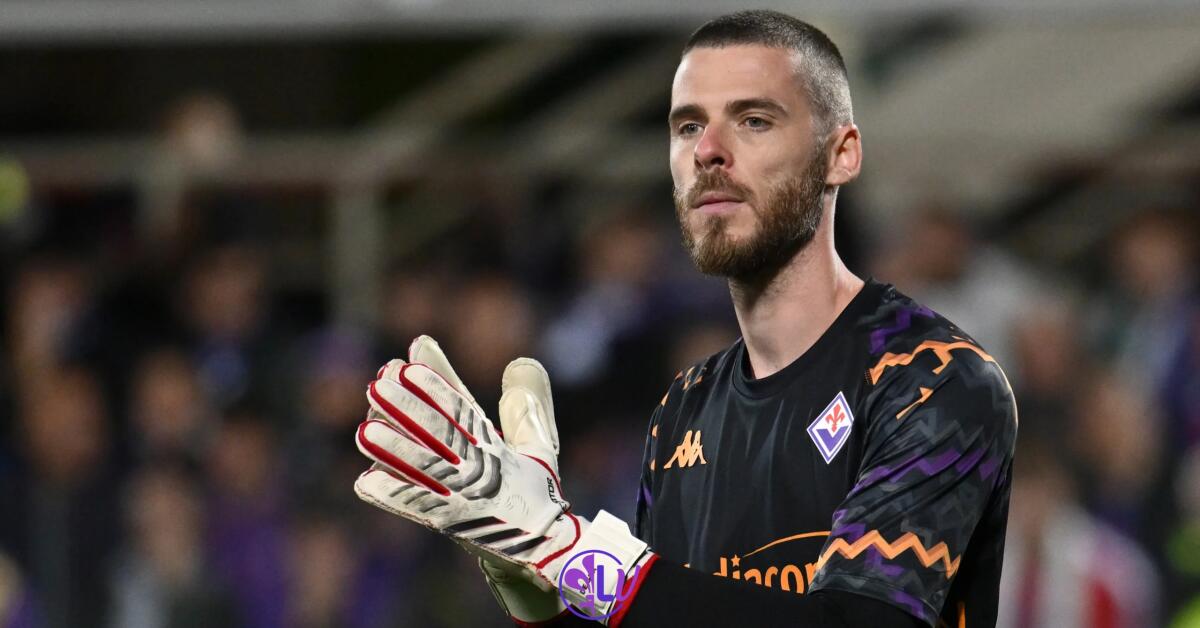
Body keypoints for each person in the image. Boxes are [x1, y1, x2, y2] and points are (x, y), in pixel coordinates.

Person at [351, 10, 1017, 628]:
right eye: (688, 125)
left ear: (840, 154)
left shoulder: (933, 381)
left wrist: (573, 552)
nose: (709, 151)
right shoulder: (685, 408)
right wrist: (540, 589)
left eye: (754, 120)